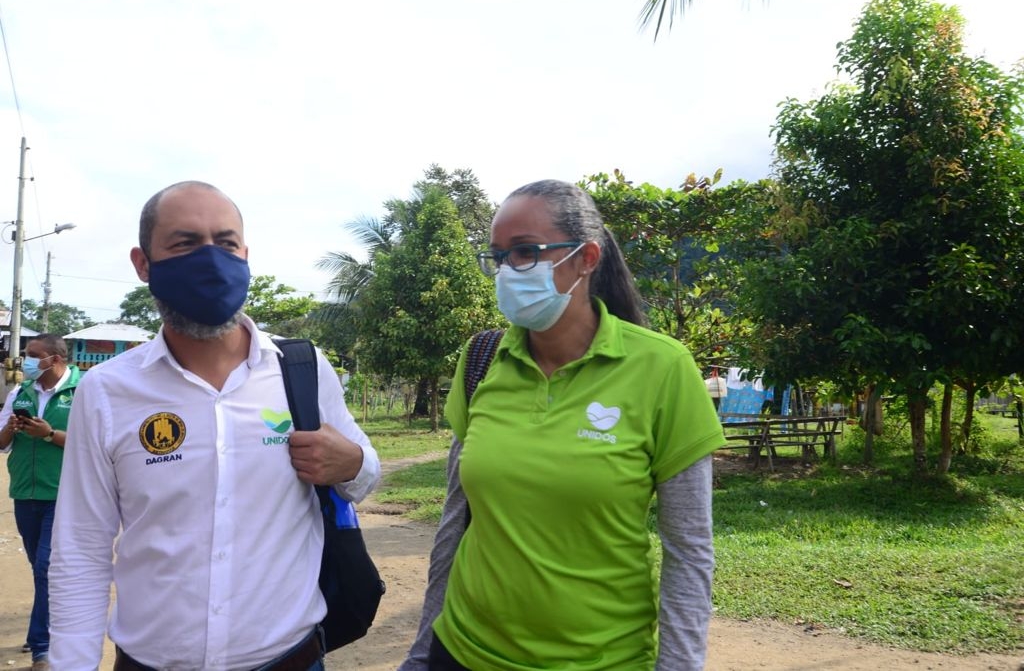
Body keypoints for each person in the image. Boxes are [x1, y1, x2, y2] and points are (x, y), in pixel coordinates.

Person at [48, 181, 381, 670]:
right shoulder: (107, 390)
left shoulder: (302, 370)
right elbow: (81, 546)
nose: (210, 259)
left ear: (245, 255)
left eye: (225, 243)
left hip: (292, 660)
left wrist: (351, 463)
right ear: (144, 264)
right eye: (185, 243)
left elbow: (364, 472)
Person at [400, 179, 724, 671]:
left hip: (600, 659)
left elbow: (689, 551)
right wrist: (423, 653)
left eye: (526, 252)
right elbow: (454, 522)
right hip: (463, 651)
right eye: (499, 256)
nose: (508, 270)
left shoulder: (662, 368)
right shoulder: (482, 359)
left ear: (587, 257)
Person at [0, 334, 81, 671]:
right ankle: (50, 631)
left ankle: (41, 648)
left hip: (63, 493)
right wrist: (12, 426)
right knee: (40, 569)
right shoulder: (21, 393)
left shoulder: (83, 391)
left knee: (47, 567)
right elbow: (1, 442)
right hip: (25, 492)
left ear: (56, 358)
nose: (27, 361)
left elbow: (94, 444)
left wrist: (48, 434)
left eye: (33, 355)